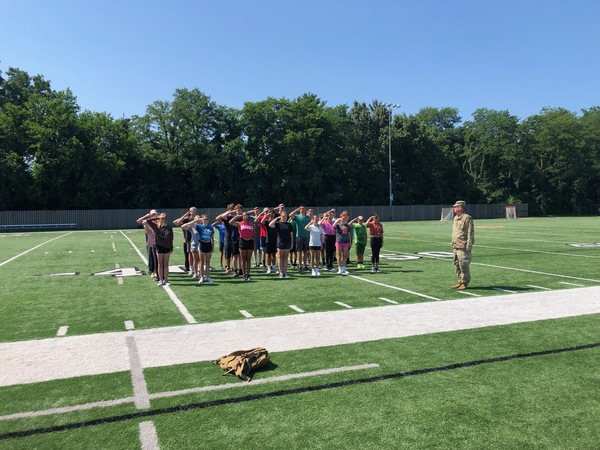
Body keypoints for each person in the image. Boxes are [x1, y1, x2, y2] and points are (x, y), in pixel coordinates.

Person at [143, 212, 174, 286]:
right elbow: (147, 221)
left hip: (167, 247)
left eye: (164, 217)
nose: (162, 218)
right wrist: (157, 217)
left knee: (166, 264)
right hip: (159, 246)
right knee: (160, 264)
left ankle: (166, 280)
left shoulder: (169, 227)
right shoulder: (156, 226)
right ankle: (160, 280)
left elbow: (171, 238)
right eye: (161, 217)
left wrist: (171, 247)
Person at [183, 215, 215, 283]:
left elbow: (212, 238)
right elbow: (184, 226)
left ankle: (208, 277)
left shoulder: (211, 227)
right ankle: (201, 277)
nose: (206, 220)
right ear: (202, 220)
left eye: (207, 219)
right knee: (201, 262)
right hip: (202, 244)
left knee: (208, 262)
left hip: (208, 244)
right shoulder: (199, 226)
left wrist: (213, 247)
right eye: (205, 219)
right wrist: (195, 220)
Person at [451, 200, 474, 290]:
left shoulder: (467, 218)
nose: (454, 208)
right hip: (456, 245)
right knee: (457, 264)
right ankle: (460, 281)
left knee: (464, 265)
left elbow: (470, 232)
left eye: (456, 206)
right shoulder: (456, 218)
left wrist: (469, 245)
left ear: (460, 207)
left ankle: (465, 282)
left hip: (463, 246)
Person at [230, 211, 255, 281]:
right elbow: (230, 222)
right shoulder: (239, 224)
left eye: (246, 215)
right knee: (243, 259)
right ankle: (244, 275)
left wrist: (254, 245)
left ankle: (248, 274)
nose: (245, 216)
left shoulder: (251, 224)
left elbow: (254, 234)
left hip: (250, 241)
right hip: (242, 241)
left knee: (248, 259)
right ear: (242, 217)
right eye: (244, 215)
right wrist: (237, 216)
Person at [269, 210, 294, 278]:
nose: (284, 217)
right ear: (281, 216)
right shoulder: (278, 224)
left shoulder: (289, 224)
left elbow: (291, 235)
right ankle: (281, 272)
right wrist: (277, 218)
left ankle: (285, 272)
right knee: (280, 258)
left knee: (285, 258)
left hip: (287, 242)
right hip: (280, 243)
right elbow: (270, 224)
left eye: (285, 216)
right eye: (283, 216)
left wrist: (292, 243)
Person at [173, 207, 197, 273]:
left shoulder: (197, 218)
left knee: (196, 255)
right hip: (189, 239)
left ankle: (196, 268)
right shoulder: (187, 218)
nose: (195, 211)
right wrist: (186, 214)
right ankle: (191, 268)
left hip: (197, 239)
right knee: (190, 254)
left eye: (195, 210)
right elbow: (177, 222)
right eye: (193, 211)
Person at [136, 210, 158, 278]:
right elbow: (139, 221)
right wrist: (146, 216)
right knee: (151, 257)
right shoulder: (148, 221)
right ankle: (152, 271)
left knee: (156, 258)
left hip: (157, 242)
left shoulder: (158, 221)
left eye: (154, 214)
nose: (153, 215)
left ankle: (156, 271)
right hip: (150, 243)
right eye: (152, 214)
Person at [289, 205, 311, 273]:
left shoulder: (308, 217)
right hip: (299, 236)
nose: (302, 210)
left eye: (304, 209)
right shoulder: (297, 216)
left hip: (306, 236)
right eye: (301, 209)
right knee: (299, 252)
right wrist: (297, 209)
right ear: (299, 210)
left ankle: (305, 266)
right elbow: (290, 215)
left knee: (305, 252)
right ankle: (300, 266)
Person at [333, 210, 352, 275]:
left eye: (346, 216)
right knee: (339, 255)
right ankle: (339, 268)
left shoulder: (347, 224)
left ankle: (344, 267)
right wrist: (337, 221)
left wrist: (350, 241)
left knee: (345, 255)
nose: (345, 218)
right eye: (344, 216)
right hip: (339, 240)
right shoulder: (338, 223)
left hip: (346, 241)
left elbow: (349, 234)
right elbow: (333, 226)